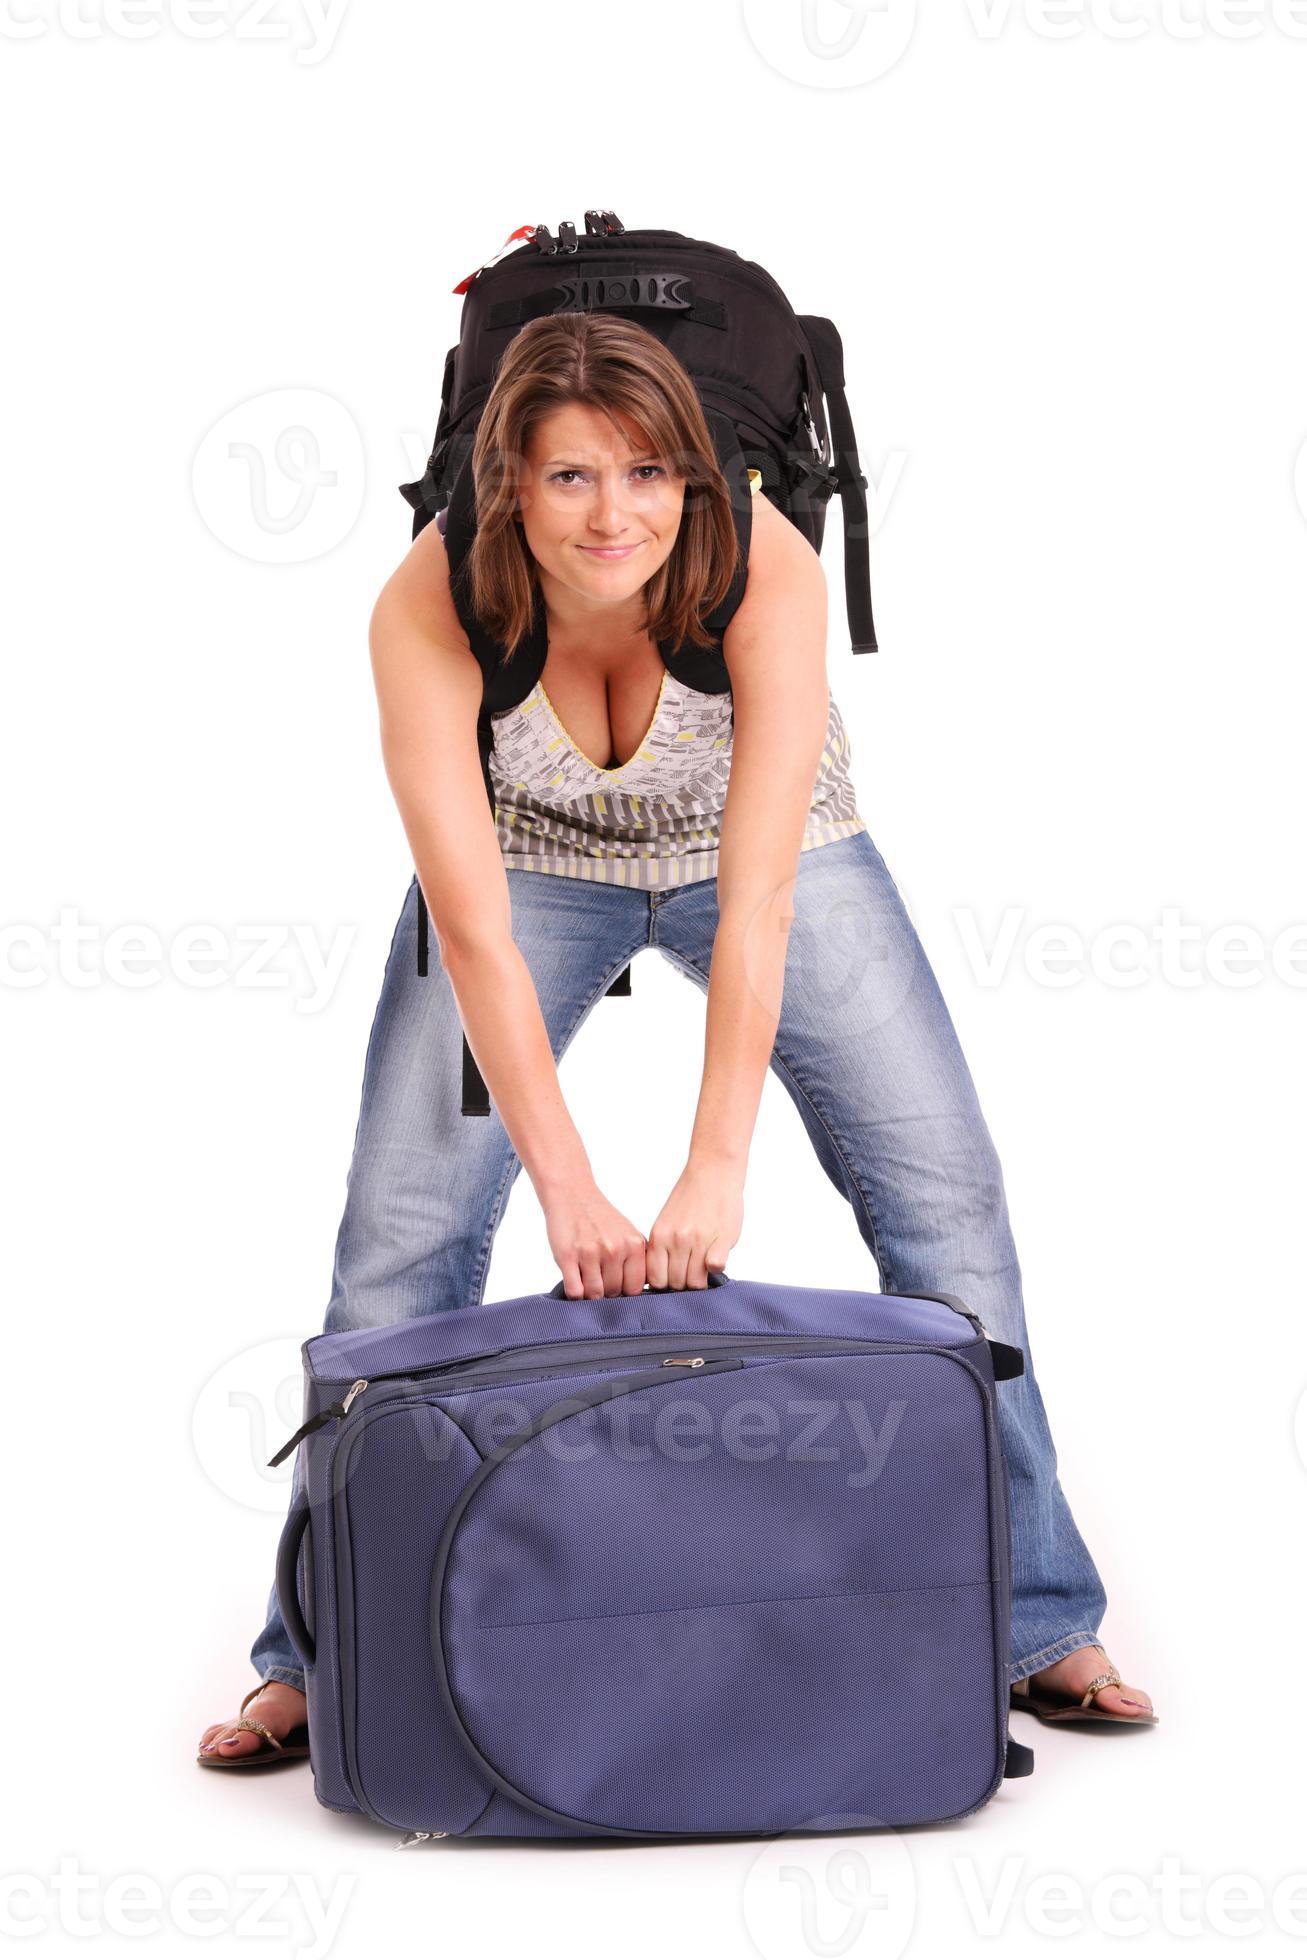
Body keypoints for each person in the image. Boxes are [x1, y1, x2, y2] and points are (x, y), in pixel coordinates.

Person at [198, 311, 1155, 1769]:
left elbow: (761, 896)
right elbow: (475, 934)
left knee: (946, 1201)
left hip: (765, 853)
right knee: (400, 1234)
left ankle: (1035, 1618)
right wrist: (570, 1185)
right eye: (571, 476)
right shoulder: (431, 604)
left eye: (648, 474)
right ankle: (325, 1654)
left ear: (695, 482)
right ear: (507, 482)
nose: (614, 516)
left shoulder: (763, 568)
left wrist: (716, 1166)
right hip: (529, 865)